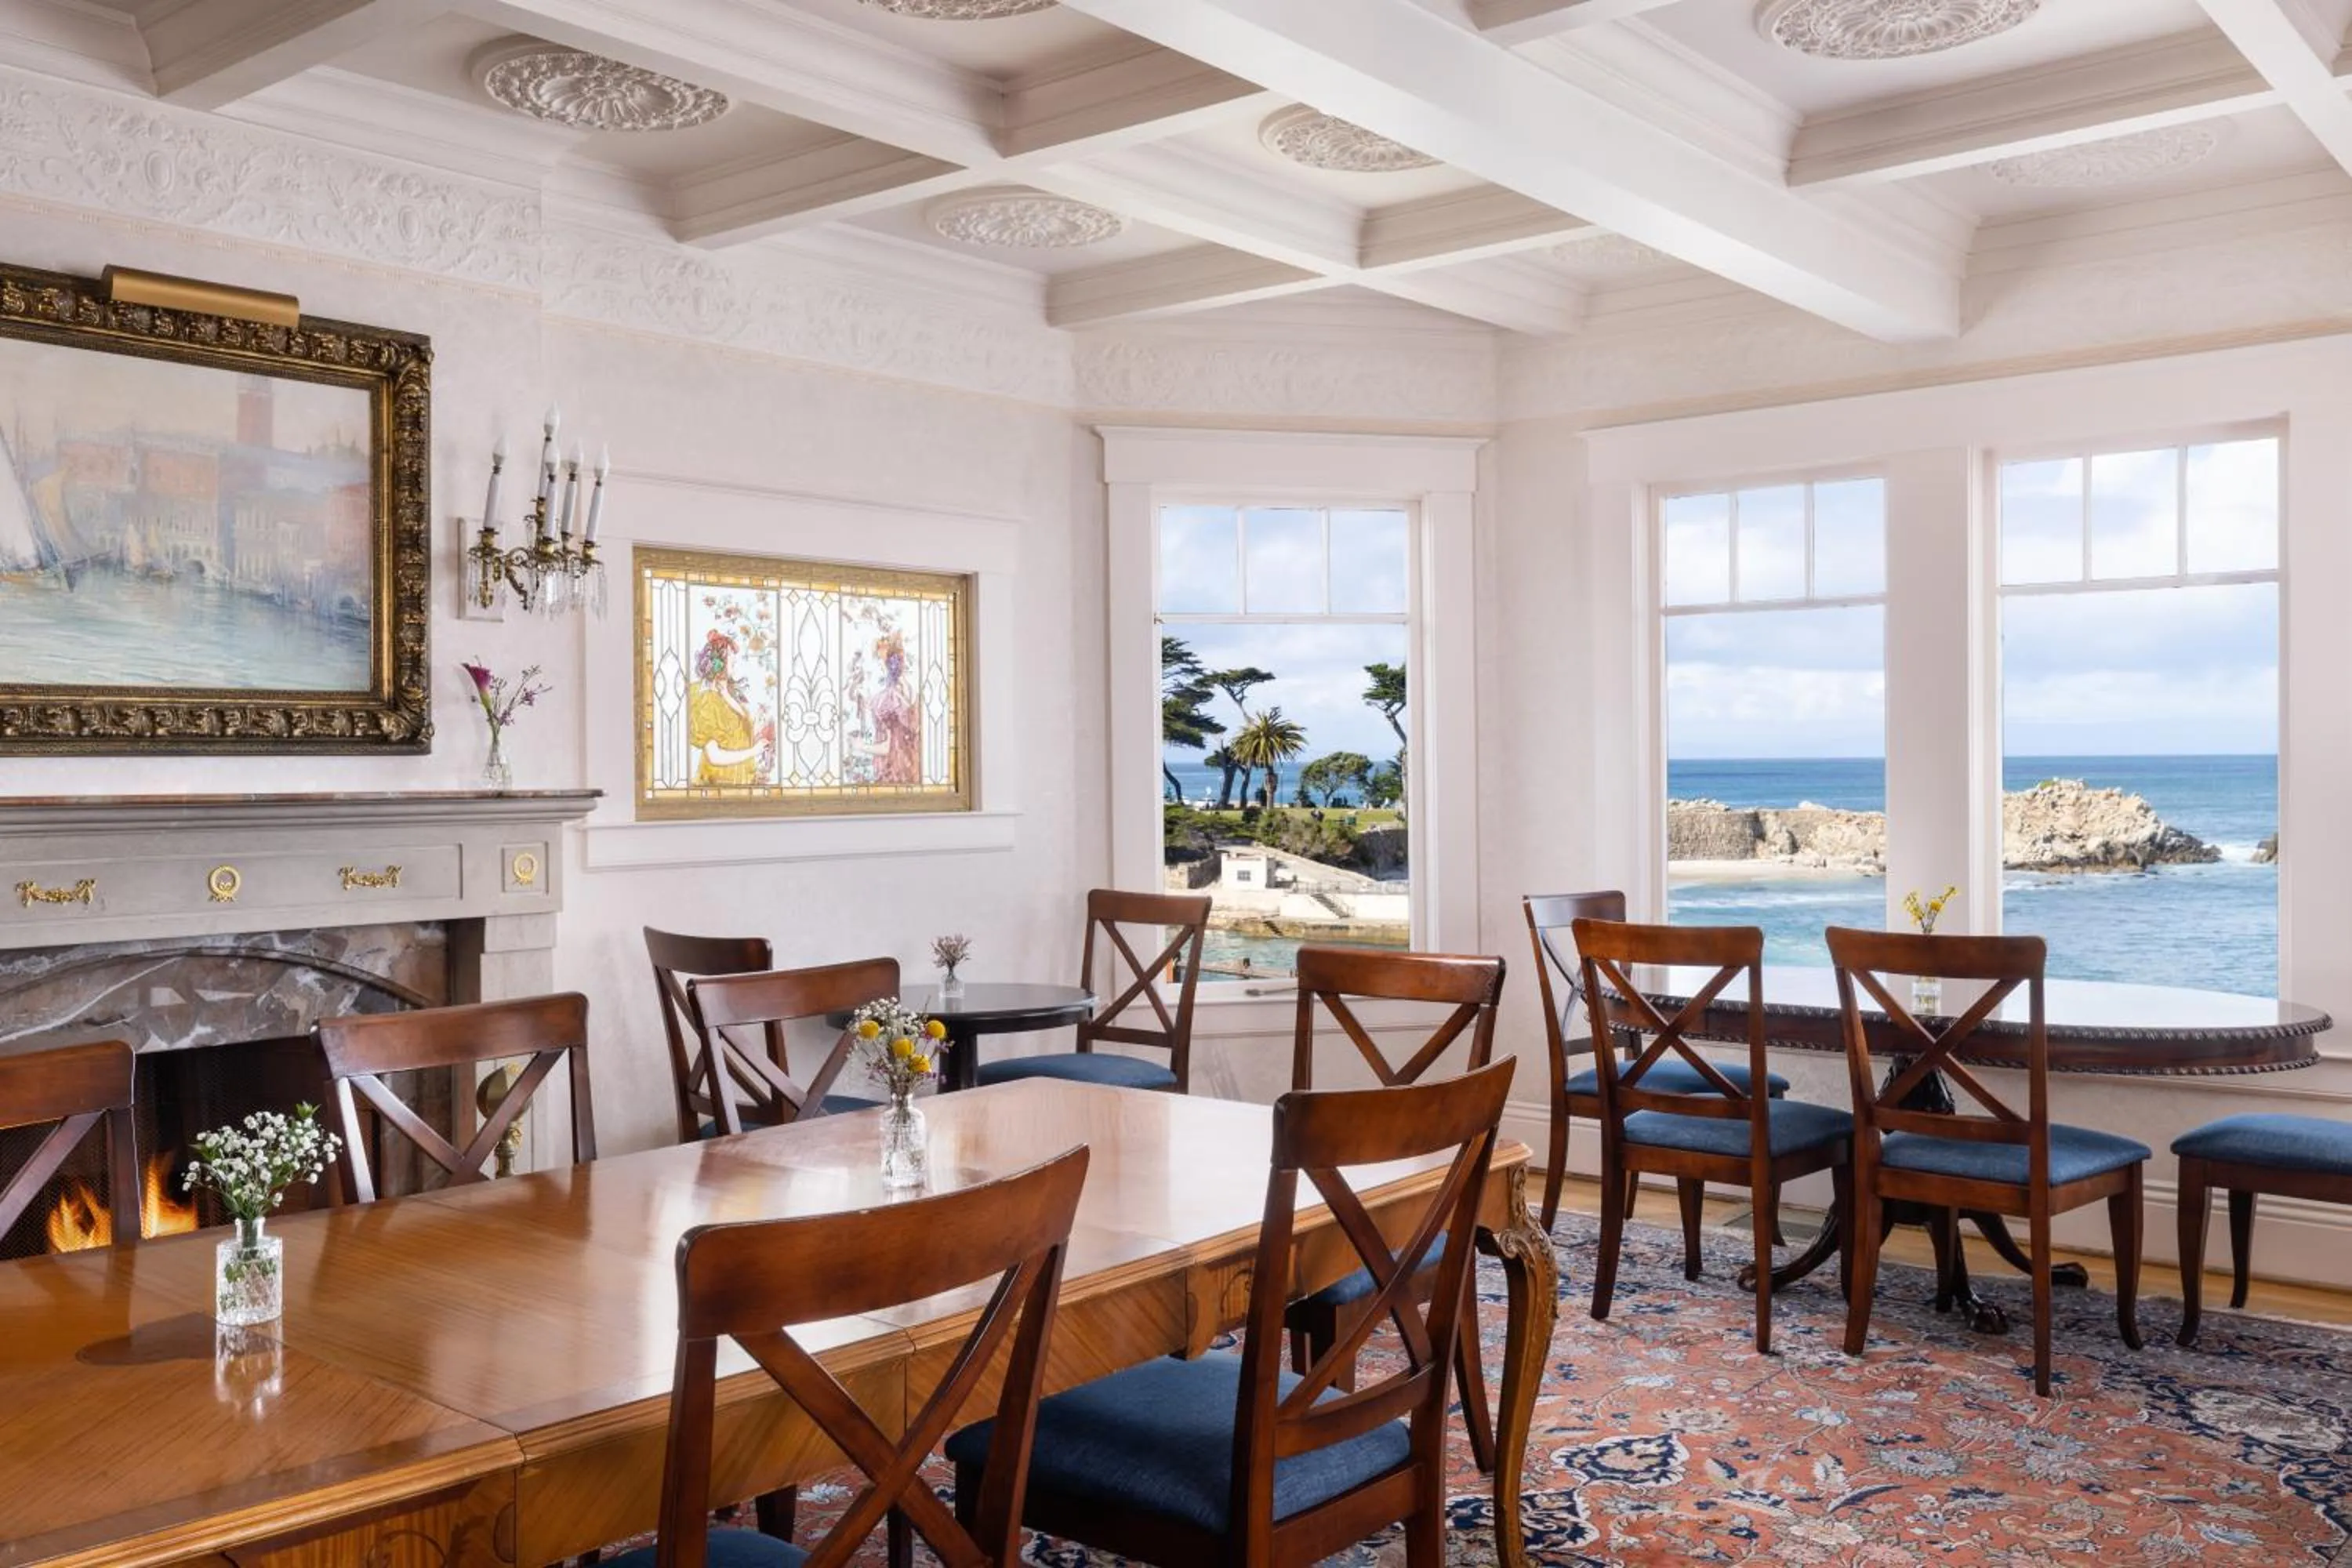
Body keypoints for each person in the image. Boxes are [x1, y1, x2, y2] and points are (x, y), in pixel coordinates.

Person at [688, 629, 771, 786]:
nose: (734, 657)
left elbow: (745, 723)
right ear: (717, 663)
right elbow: (715, 757)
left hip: (741, 779)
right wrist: (754, 751)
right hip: (718, 783)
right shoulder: (706, 701)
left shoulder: (726, 693)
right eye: (730, 654)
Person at [869, 629, 920, 785]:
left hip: (893, 769)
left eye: (877, 660)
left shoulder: (887, 699)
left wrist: (858, 746)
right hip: (912, 766)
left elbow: (887, 747)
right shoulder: (913, 693)